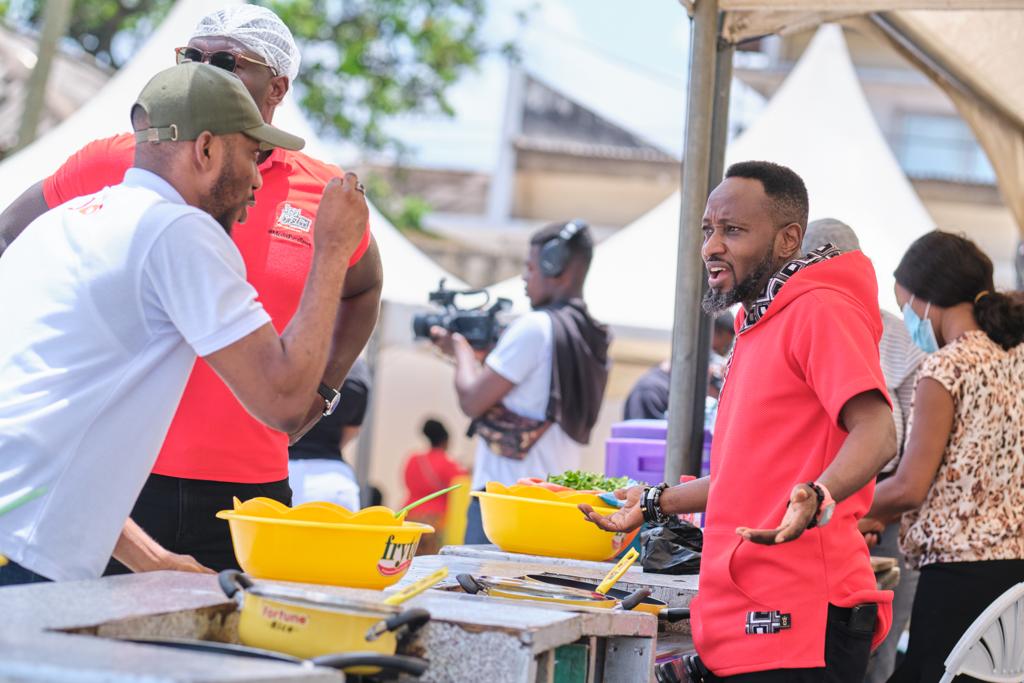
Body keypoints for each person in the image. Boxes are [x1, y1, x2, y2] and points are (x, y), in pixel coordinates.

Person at [0, 6, 383, 574]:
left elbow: (59, 450)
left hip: (81, 514)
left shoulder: (74, 220)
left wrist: (151, 561)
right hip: (66, 529)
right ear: (203, 149)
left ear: (276, 87)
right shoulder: (175, 228)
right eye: (194, 58)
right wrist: (328, 253)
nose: (256, 180)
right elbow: (279, 401)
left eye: (226, 62)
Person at [581, 161, 897, 681]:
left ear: (787, 239)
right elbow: (747, 474)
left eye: (733, 230)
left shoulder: (819, 308)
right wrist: (656, 502)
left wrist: (817, 493)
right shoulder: (759, 321)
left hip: (802, 618)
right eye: (708, 230)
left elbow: (878, 430)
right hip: (748, 613)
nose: (711, 246)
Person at [859, 231, 1024, 683]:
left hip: (960, 580)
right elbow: (966, 475)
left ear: (928, 300)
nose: (909, 323)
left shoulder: (947, 366)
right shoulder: (1016, 358)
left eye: (907, 308)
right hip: (1015, 582)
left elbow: (911, 485)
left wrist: (839, 508)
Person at [431, 219, 610, 545]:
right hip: (554, 506)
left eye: (530, 267)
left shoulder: (535, 327)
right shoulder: (590, 336)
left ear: (555, 266)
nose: (525, 277)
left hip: (506, 507)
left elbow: (472, 399)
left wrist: (459, 348)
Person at [801, 218, 925, 683]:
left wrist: (872, 514)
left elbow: (915, 446)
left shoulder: (903, 341)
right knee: (819, 647)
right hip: (809, 510)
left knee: (876, 648)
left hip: (891, 510)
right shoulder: (797, 324)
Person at [288, 358, 372, 510]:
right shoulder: (357, 369)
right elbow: (352, 429)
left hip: (285, 473)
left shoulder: (290, 355)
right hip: (336, 481)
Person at [623, 313, 735, 420]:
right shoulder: (650, 392)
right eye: (712, 354)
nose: (715, 366)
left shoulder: (702, 393)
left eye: (723, 353)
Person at [402, 419, 468, 554]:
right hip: (436, 520)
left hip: (410, 514)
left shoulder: (413, 459)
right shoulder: (447, 462)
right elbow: (462, 485)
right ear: (445, 441)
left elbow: (406, 482)